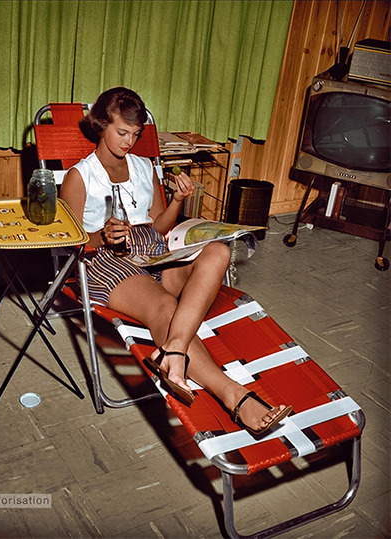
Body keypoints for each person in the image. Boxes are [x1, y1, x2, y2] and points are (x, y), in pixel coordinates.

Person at [60, 87, 291, 434]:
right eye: (122, 132)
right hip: (105, 260)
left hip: (153, 250)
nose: (128, 142)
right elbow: (69, 242)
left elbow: (159, 225)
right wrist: (102, 236)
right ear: (101, 125)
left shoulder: (142, 167)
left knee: (219, 251)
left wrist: (178, 201)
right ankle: (235, 397)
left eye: (135, 135)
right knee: (166, 307)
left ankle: (174, 351)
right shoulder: (79, 177)